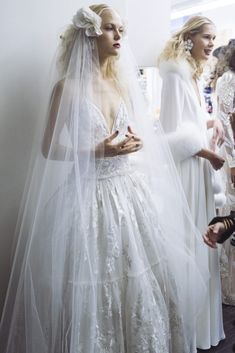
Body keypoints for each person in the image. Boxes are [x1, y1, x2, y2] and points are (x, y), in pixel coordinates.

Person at [0, 5, 208, 353]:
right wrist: (95, 151)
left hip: (131, 193)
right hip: (88, 198)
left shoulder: (120, 84)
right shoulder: (65, 89)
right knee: (93, 289)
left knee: (143, 282)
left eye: (120, 29)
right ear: (90, 34)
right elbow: (49, 148)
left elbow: (135, 133)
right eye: (111, 29)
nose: (119, 36)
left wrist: (138, 142)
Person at [158, 16, 225, 350]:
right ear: (189, 37)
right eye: (207, 37)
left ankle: (203, 328)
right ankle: (187, 329)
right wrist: (209, 155)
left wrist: (211, 122)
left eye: (214, 38)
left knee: (204, 243)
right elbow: (172, 134)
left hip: (198, 167)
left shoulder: (191, 76)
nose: (212, 44)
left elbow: (190, 121)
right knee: (191, 243)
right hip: (187, 171)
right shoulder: (174, 75)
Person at [212, 39, 235, 305]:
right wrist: (232, 162)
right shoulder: (228, 79)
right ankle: (230, 287)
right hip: (232, 157)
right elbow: (225, 122)